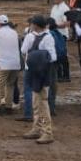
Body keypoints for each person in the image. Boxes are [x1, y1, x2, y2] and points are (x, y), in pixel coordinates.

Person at [20, 15, 56, 144]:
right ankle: (37, 128)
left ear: (35, 25)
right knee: (38, 101)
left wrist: (35, 56)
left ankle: (47, 132)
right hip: (44, 72)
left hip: (33, 71)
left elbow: (23, 50)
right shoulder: (49, 37)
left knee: (42, 103)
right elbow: (52, 57)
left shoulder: (30, 37)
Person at [48, 18, 70, 84]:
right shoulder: (58, 32)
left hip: (57, 54)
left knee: (56, 64)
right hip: (63, 53)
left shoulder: (50, 33)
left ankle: (59, 76)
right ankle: (66, 76)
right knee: (64, 62)